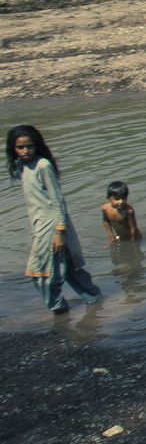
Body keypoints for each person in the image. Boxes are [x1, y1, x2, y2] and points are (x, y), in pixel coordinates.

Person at [9, 123, 103, 313]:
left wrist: (60, 231)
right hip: (40, 226)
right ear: (14, 149)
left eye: (29, 146)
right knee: (68, 268)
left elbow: (58, 200)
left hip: (52, 227)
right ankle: (96, 302)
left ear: (37, 145)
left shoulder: (43, 166)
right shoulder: (22, 166)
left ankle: (60, 311)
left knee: (39, 273)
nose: (25, 151)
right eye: (20, 147)